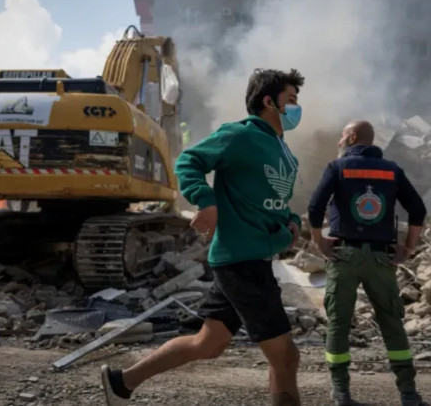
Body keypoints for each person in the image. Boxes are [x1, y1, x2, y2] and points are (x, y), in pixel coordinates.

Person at [101, 68, 306, 406]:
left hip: (249, 259)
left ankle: (121, 383)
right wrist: (206, 200)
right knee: (285, 357)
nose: (297, 108)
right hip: (242, 261)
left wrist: (292, 221)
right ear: (270, 101)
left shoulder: (283, 151)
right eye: (292, 100)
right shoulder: (239, 135)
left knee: (208, 344)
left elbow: (273, 202)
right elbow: (189, 161)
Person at [307, 120, 428, 406]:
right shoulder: (392, 170)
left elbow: (315, 206)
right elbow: (417, 209)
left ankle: (341, 393)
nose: (339, 141)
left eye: (342, 136)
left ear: (351, 137)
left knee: (339, 324)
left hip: (344, 256)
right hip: (381, 258)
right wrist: (408, 248)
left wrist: (319, 241)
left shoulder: (337, 167)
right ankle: (408, 394)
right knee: (392, 323)